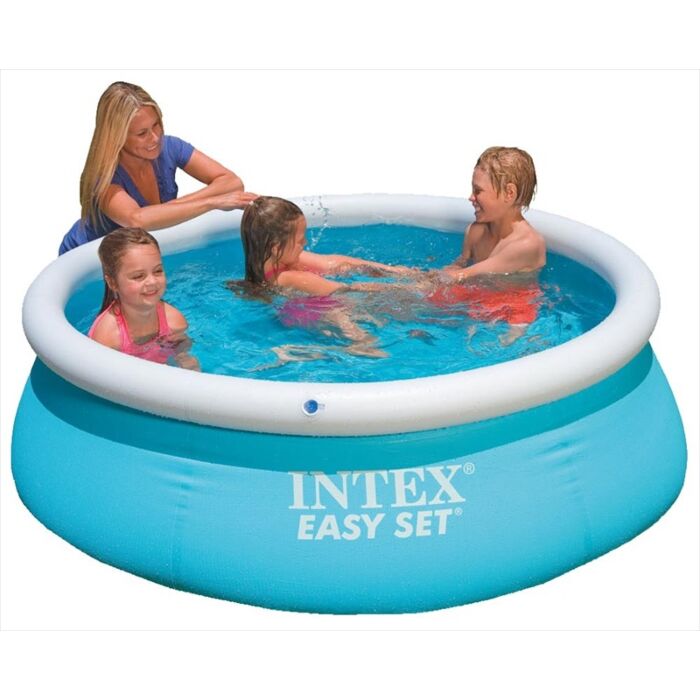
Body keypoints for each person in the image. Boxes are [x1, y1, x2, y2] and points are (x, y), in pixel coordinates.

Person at [59, 81, 257, 255]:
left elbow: (232, 183)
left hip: (136, 253)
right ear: (117, 138)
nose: (154, 138)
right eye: (142, 133)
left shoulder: (169, 147)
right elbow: (137, 221)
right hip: (86, 253)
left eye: (156, 125)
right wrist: (210, 203)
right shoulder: (104, 177)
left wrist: (166, 210)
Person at [236, 196, 414, 359]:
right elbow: (346, 290)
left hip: (294, 312)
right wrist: (404, 288)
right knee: (363, 334)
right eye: (300, 240)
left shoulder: (268, 265)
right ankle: (352, 347)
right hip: (314, 314)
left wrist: (392, 271)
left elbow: (333, 262)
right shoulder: (292, 278)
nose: (305, 243)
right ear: (276, 248)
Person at [431, 147, 547, 341]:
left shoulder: (528, 244)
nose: (471, 197)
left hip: (513, 311)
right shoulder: (476, 231)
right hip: (477, 295)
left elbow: (462, 275)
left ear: (509, 193)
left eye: (478, 191)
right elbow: (459, 267)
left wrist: (397, 274)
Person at [89, 227, 199, 370]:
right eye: (138, 276)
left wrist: (185, 360)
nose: (152, 282)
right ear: (113, 283)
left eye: (158, 271)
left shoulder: (174, 321)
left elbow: (182, 351)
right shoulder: (108, 338)